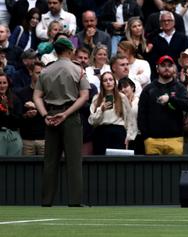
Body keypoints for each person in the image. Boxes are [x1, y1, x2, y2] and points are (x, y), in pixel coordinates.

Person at [33, 37, 90, 206]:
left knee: (50, 161)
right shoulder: (77, 69)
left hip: (50, 116)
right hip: (70, 116)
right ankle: (75, 201)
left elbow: (36, 96)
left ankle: (46, 200)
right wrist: (66, 114)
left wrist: (45, 115)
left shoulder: (45, 71)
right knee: (74, 161)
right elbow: (85, 96)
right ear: (69, 50)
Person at [138, 55, 188, 155]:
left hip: (175, 139)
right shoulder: (148, 89)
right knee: (152, 170)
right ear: (157, 68)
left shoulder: (180, 88)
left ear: (174, 68)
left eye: (169, 65)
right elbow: (141, 115)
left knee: (175, 170)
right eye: (163, 65)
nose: (166, 68)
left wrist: (170, 99)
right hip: (152, 140)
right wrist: (146, 137)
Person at [88, 72, 134, 155]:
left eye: (110, 80)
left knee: (118, 163)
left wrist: (129, 136)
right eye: (105, 80)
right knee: (101, 162)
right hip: (101, 132)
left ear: (114, 82)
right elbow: (92, 121)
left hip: (118, 132)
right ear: (102, 83)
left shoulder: (122, 97)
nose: (108, 82)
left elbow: (130, 119)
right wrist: (101, 109)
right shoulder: (96, 98)